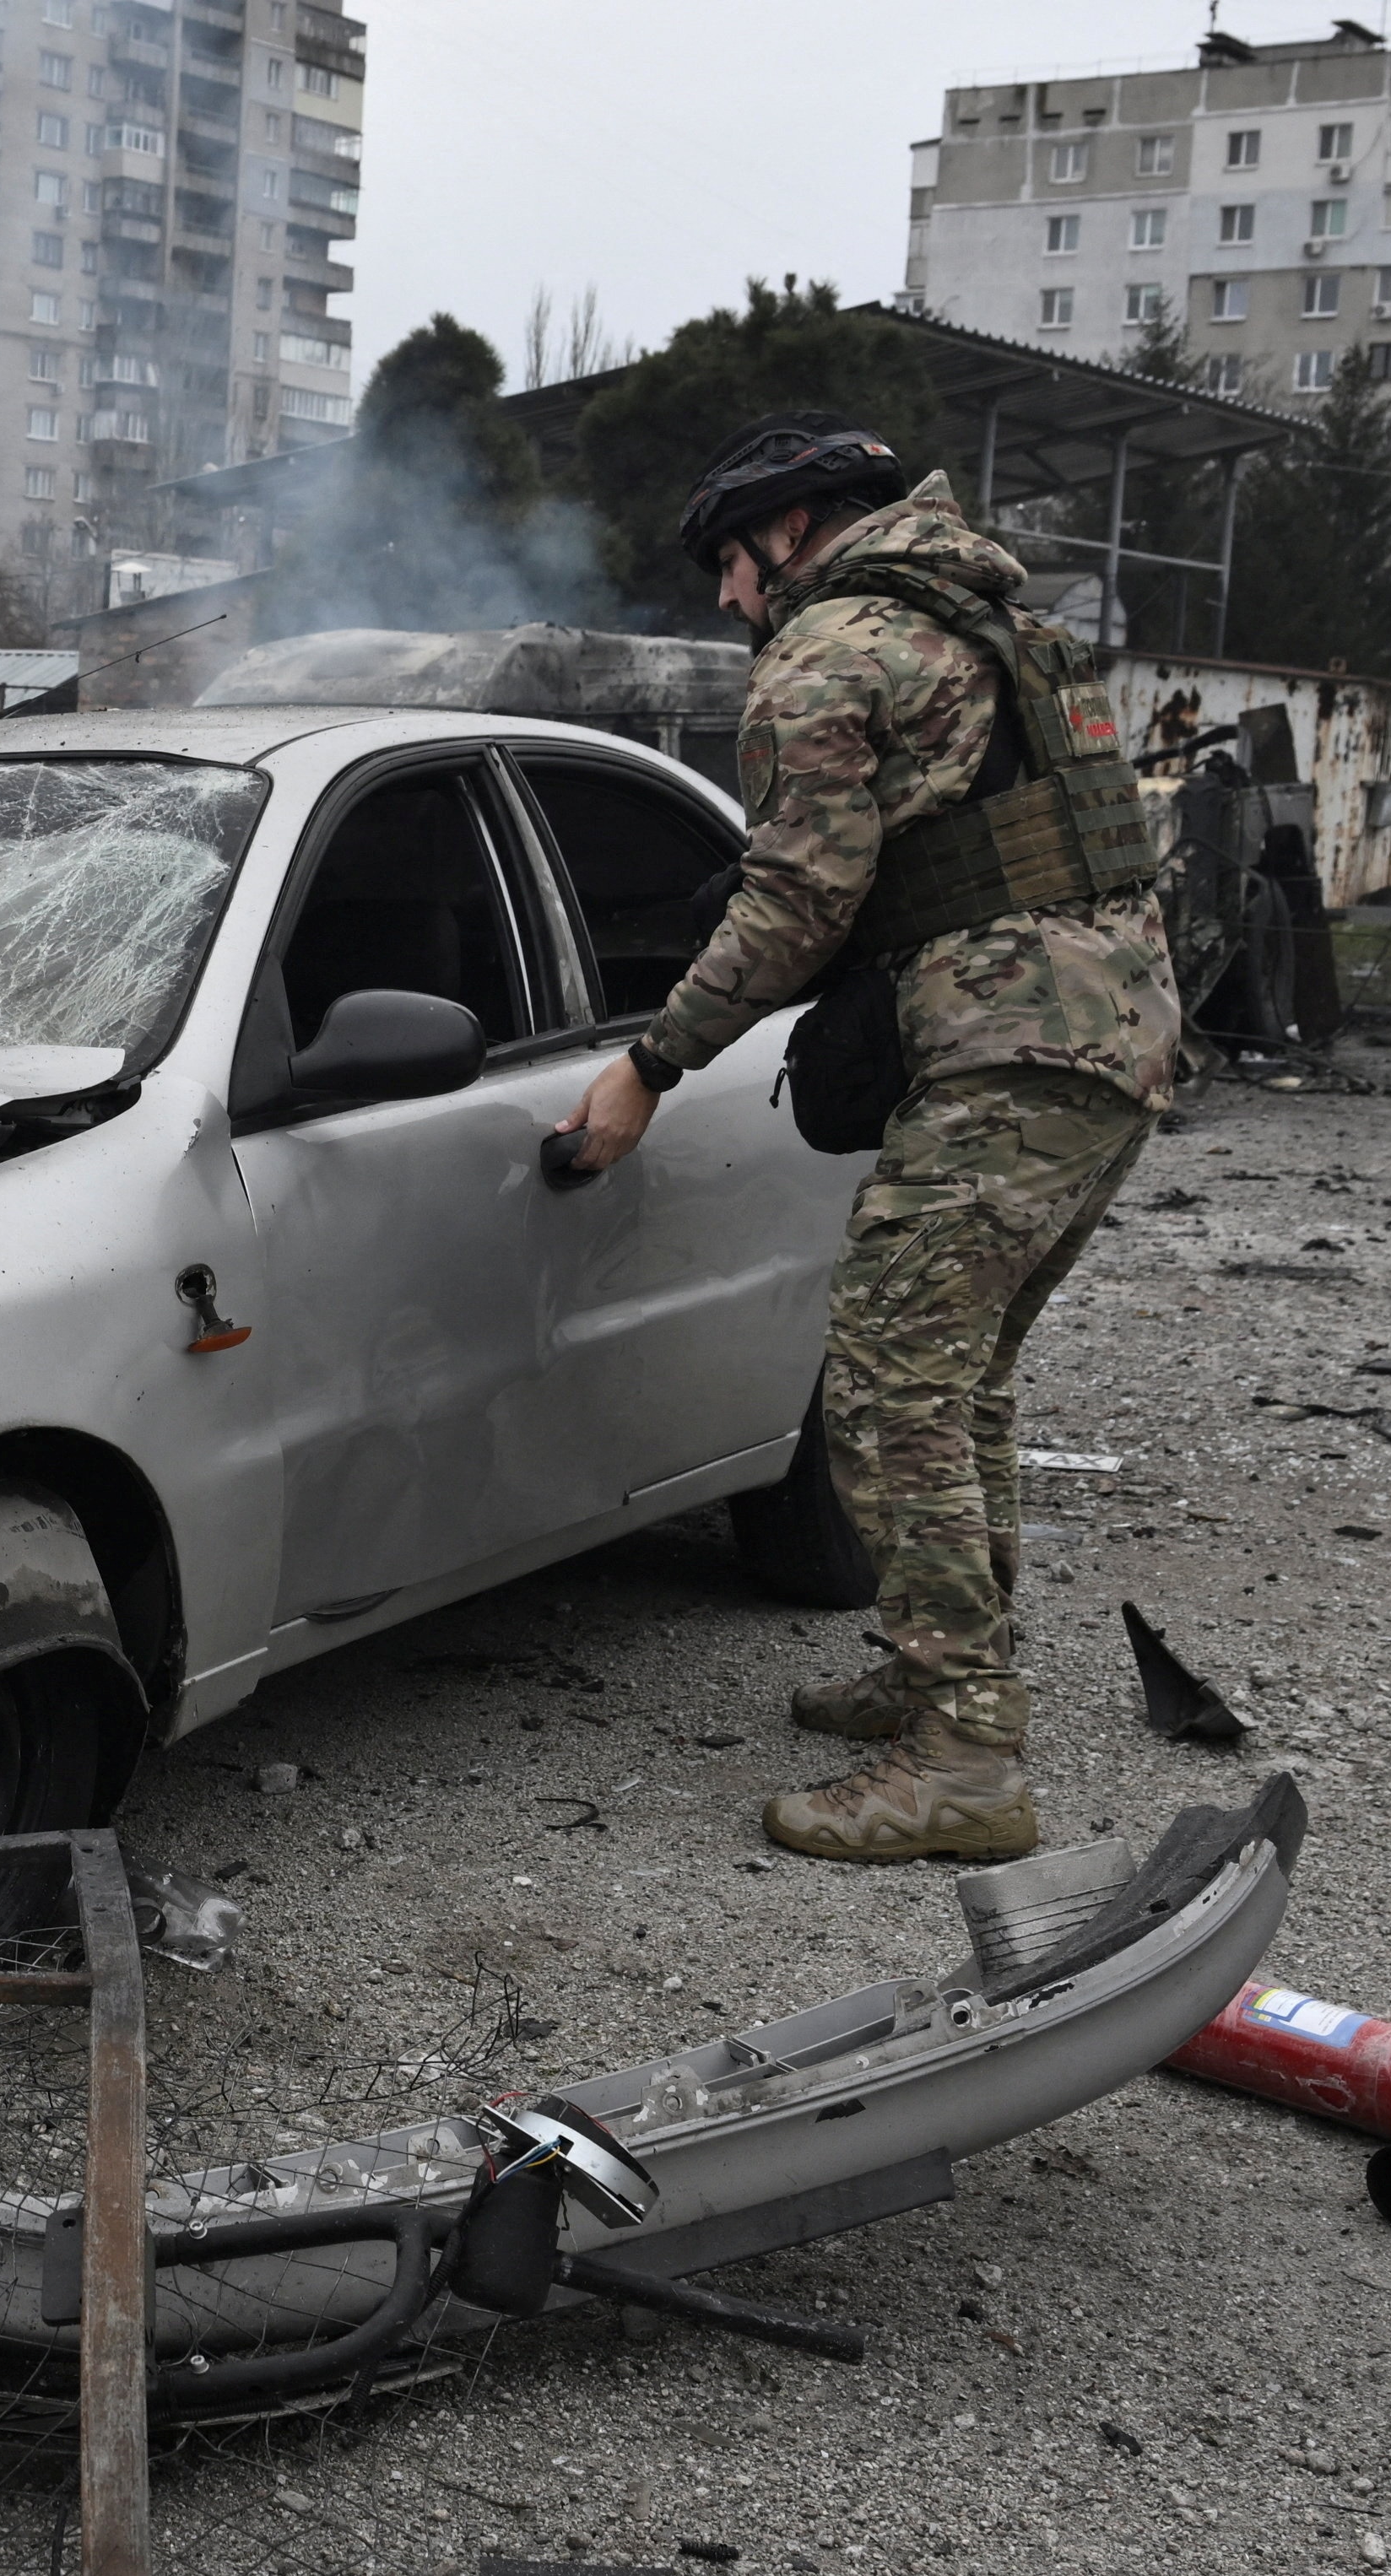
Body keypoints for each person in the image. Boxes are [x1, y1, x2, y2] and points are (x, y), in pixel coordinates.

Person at [552, 416, 1177, 1866]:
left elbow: (792, 905)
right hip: (1113, 1038)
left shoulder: (832, 649)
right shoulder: (996, 617)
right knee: (961, 1380)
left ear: (791, 529)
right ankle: (932, 1671)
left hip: (1006, 1048)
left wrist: (651, 1066)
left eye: (726, 560)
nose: (721, 598)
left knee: (890, 1383)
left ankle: (964, 1751)